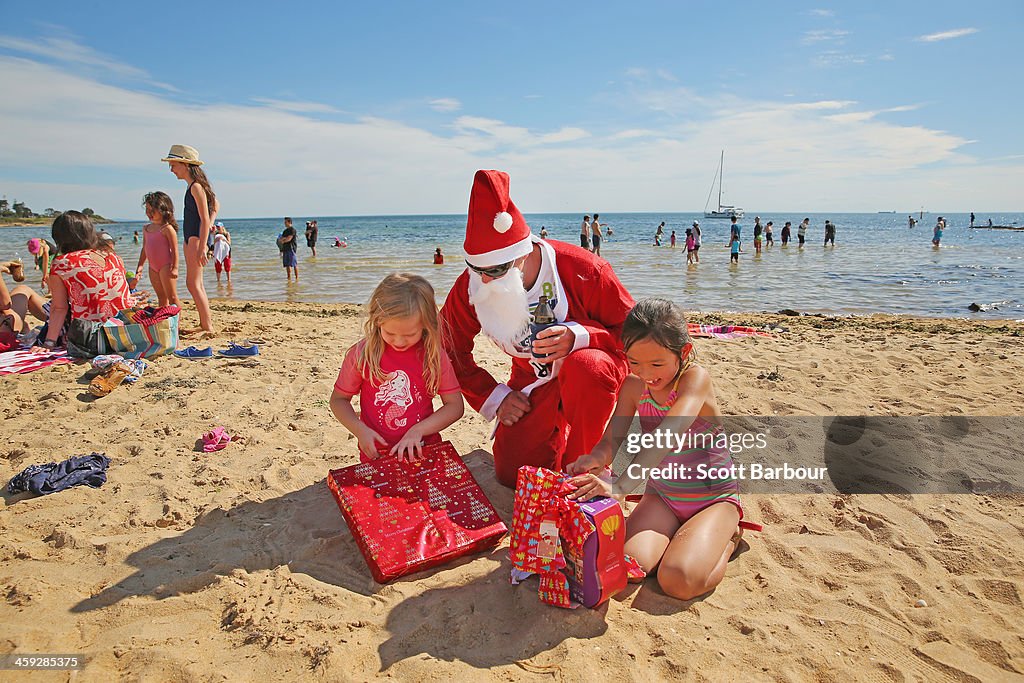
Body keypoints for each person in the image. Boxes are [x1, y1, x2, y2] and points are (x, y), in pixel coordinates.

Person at [441, 170, 634, 486]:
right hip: (531, 380)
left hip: (592, 375)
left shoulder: (585, 269)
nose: (486, 280)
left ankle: (587, 459)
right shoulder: (473, 285)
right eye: (477, 269)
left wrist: (581, 337)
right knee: (512, 476)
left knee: (588, 368)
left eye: (497, 270)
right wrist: (495, 396)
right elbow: (447, 347)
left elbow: (636, 336)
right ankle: (556, 429)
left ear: (523, 253)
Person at [566, 298, 745, 600]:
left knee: (677, 581)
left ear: (683, 352)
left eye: (657, 363)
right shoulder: (634, 386)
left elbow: (667, 435)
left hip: (712, 499)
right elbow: (611, 441)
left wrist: (620, 485)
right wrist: (593, 460)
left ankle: (728, 538)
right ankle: (683, 538)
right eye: (635, 362)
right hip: (662, 497)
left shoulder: (694, 381)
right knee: (627, 566)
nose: (646, 373)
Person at [330, 273, 464, 460]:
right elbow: (338, 400)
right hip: (377, 453)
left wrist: (418, 430)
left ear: (426, 325)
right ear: (378, 321)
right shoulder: (362, 355)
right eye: (390, 332)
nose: (399, 341)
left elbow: (455, 406)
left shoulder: (433, 355)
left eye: (410, 334)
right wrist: (360, 430)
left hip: (422, 449)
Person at [35, 211, 136, 351]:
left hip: (91, 338)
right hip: (130, 332)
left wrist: (49, 343)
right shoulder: (113, 257)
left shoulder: (61, 264)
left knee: (55, 308)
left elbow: (59, 308)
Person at [163, 144, 217, 333]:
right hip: (192, 238)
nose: (171, 169)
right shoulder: (195, 186)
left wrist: (203, 246)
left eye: (173, 165)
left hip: (195, 239)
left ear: (185, 165)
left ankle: (207, 326)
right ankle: (205, 324)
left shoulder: (196, 187)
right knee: (196, 283)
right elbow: (215, 208)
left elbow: (203, 218)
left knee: (193, 284)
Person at [130, 191, 180, 307]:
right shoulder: (146, 228)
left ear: (163, 210)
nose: (149, 213)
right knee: (161, 297)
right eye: (147, 210)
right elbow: (145, 249)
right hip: (152, 267)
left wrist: (175, 268)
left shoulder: (167, 229)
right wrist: (140, 267)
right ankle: (164, 320)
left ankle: (175, 324)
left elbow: (174, 250)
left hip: (166, 266)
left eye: (152, 210)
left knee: (172, 297)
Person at [278, 217, 299, 281]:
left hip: (291, 248)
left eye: (285, 222)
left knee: (294, 264)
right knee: (287, 265)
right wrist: (283, 240)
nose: (284, 223)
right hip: (285, 248)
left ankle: (297, 278)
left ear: (289, 222)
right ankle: (289, 278)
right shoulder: (285, 231)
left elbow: (289, 239)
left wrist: (283, 240)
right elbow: (280, 239)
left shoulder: (292, 230)